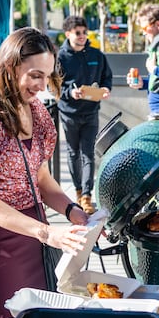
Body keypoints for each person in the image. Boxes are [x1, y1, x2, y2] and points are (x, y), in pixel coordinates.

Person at [0, 27, 90, 318]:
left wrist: (72, 211)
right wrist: (46, 233)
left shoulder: (37, 111)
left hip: (32, 236)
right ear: (10, 66)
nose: (41, 86)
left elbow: (42, 178)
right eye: (34, 75)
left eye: (47, 76)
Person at [57, 16, 112, 215]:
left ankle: (87, 195)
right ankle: (79, 191)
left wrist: (106, 88)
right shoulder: (60, 57)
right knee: (73, 153)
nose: (82, 37)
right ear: (68, 34)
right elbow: (53, 86)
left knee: (88, 153)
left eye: (84, 32)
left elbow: (107, 77)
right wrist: (70, 93)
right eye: (77, 33)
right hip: (69, 113)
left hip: (91, 112)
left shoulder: (97, 55)